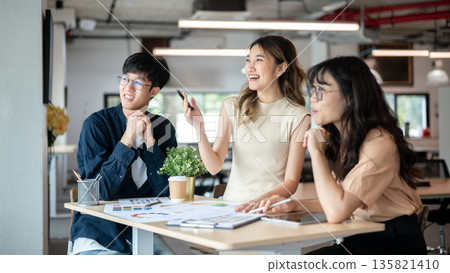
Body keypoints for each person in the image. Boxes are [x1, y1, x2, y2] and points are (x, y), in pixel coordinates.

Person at [259, 56, 427, 255]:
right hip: (364, 235)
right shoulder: (344, 139)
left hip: (394, 243)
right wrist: (296, 205)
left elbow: (337, 211)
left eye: (321, 90)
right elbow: (345, 199)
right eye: (312, 90)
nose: (312, 98)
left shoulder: (379, 143)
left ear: (351, 96)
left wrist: (316, 152)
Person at [182, 35, 310, 212]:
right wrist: (198, 128)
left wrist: (256, 202)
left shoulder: (299, 116)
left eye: (258, 60)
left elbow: (291, 183)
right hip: (231, 208)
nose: (249, 67)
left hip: (269, 209)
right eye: (248, 60)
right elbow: (213, 166)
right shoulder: (232, 107)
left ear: (280, 68)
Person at [70, 52, 177, 255]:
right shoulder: (96, 125)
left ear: (153, 91)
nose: (127, 88)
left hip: (145, 234)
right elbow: (95, 194)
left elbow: (168, 194)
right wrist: (126, 140)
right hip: (99, 236)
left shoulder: (164, 128)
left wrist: (152, 147)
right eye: (125, 79)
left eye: (137, 82)